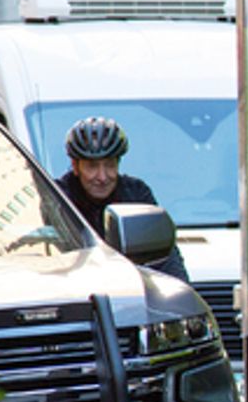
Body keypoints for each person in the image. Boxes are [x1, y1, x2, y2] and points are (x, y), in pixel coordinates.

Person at [54, 115, 190, 281]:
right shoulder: (57, 198)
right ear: (75, 166)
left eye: (110, 165)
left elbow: (165, 257)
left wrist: (179, 289)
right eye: (92, 166)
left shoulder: (136, 194)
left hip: (128, 288)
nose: (102, 177)